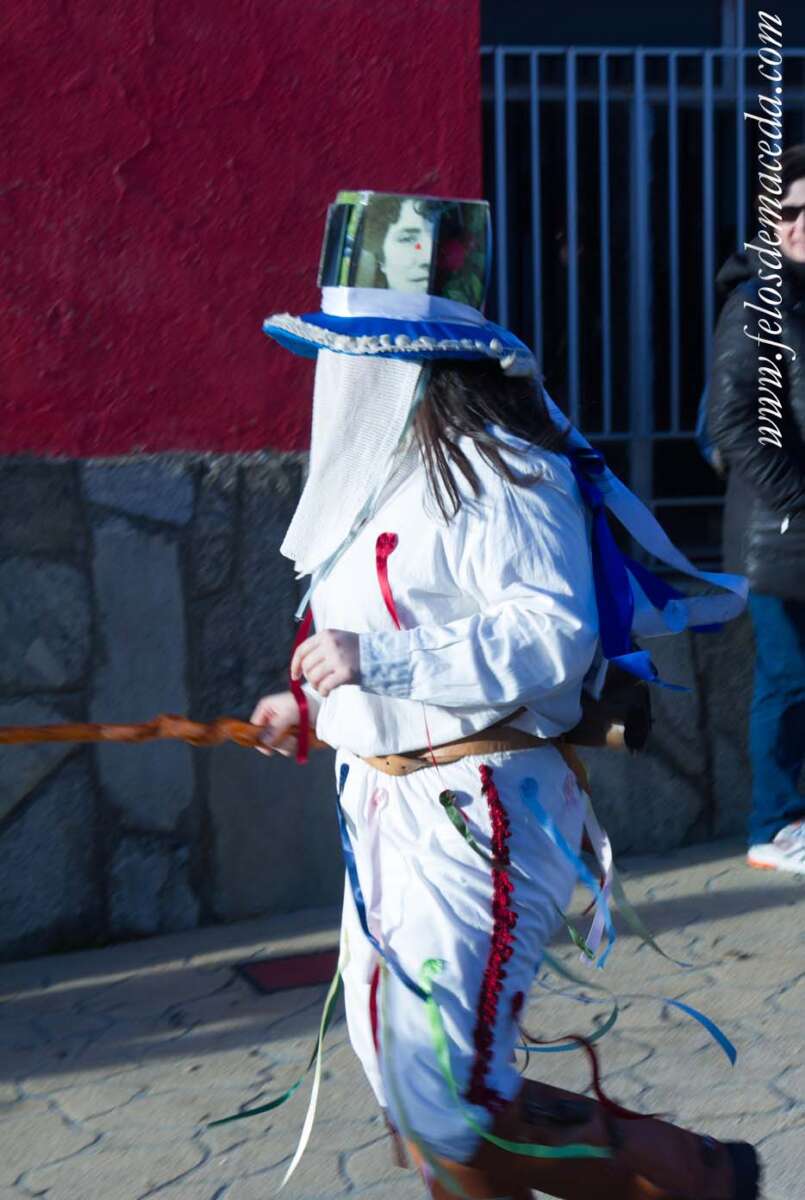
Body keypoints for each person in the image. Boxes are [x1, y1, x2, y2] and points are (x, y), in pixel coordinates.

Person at [247, 190, 757, 1199]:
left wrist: (379, 664)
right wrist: (317, 704)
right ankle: (701, 1178)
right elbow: (361, 632)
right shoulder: (371, 480)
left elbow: (550, 635)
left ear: (419, 361)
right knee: (412, 1086)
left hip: (475, 810)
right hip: (381, 807)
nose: (341, 376)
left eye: (361, 352)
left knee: (447, 1099)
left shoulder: (508, 472)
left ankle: (695, 1181)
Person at [708, 145, 805, 876]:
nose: (801, 223)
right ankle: (771, 827)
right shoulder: (758, 304)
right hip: (778, 535)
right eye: (790, 211)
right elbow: (733, 423)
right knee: (787, 677)